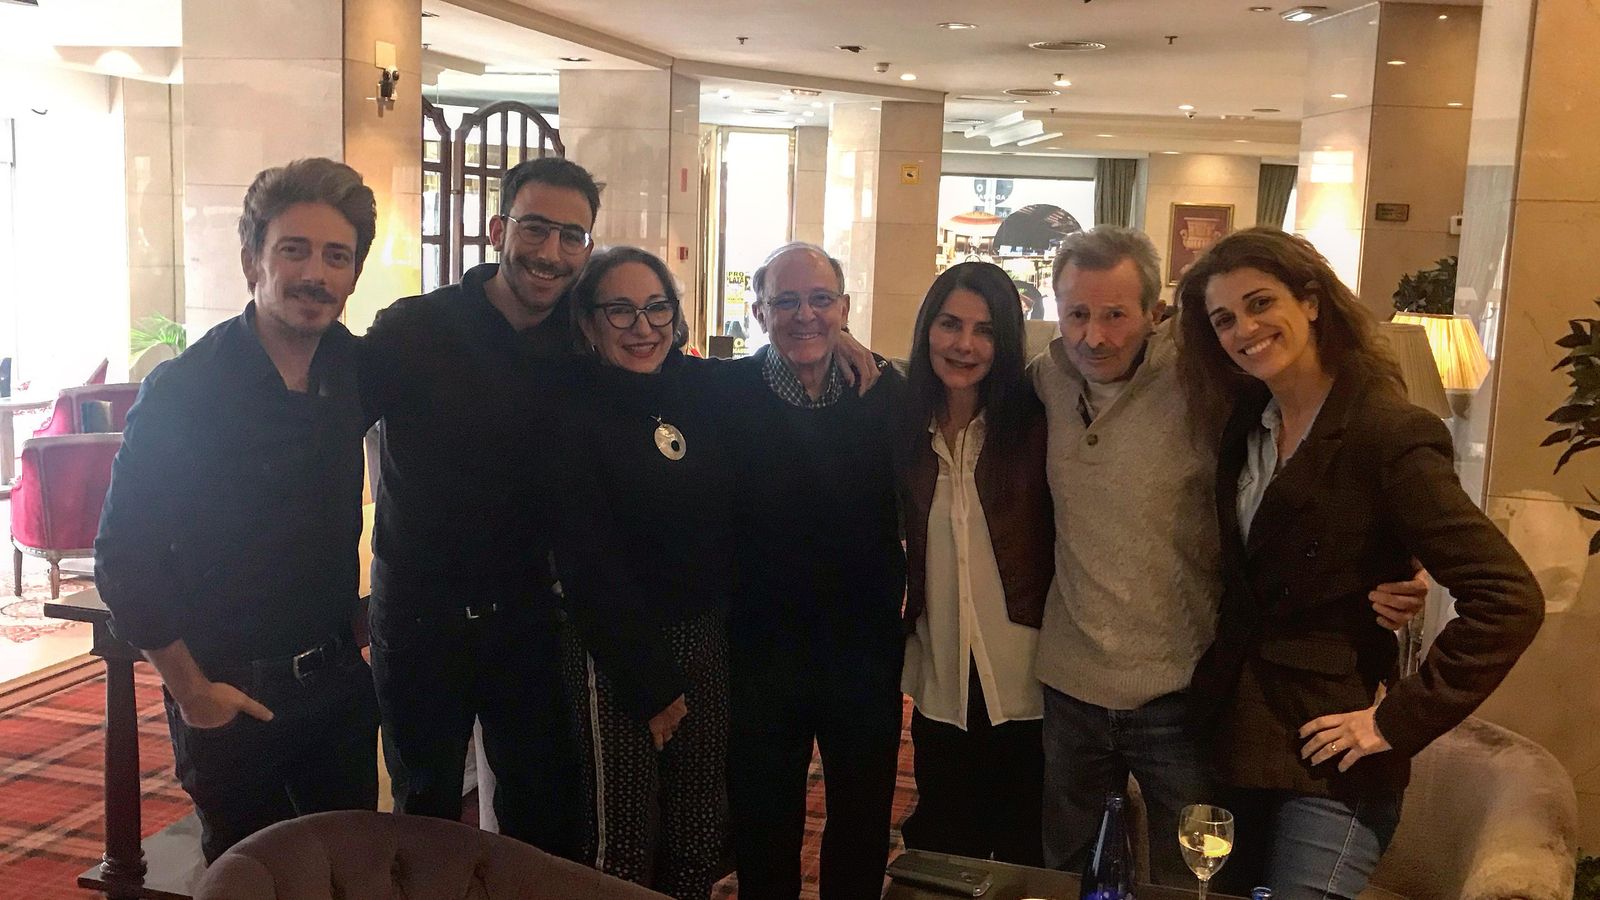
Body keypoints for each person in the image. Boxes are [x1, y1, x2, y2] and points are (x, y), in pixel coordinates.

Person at [1029, 226, 1428, 885]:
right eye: (1076, 314)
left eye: (1114, 315)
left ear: (1155, 314)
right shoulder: (1045, 379)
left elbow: (1317, 459)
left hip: (1185, 689)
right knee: (1067, 871)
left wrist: (1394, 560)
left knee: (1194, 881)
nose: (1093, 337)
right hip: (1070, 687)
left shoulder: (1210, 382)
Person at [1175, 228, 1544, 898]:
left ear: (1311, 301)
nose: (1244, 329)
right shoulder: (1246, 423)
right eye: (1224, 319)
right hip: (1234, 738)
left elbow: (1508, 597)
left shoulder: (1387, 432)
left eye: (1261, 303)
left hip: (1334, 759)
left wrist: (1392, 721)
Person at [95, 158, 380, 862]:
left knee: (346, 872)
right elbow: (122, 556)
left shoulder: (354, 370)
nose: (315, 273)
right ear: (252, 257)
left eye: (336, 256)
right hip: (232, 696)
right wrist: (193, 693)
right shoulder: (185, 392)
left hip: (338, 688)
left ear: (352, 275)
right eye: (295, 249)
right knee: (248, 879)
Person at [360, 157, 617, 853]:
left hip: (530, 617)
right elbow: (318, 416)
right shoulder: (415, 328)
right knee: (425, 805)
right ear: (500, 228)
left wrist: (829, 348)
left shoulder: (584, 344)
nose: (551, 253)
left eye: (573, 237)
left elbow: (675, 380)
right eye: (536, 229)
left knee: (543, 809)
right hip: (418, 614)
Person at [720, 242, 906, 899]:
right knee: (763, 827)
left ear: (845, 309)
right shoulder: (727, 396)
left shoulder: (884, 392)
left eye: (821, 300)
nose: (806, 315)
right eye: (787, 301)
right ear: (760, 311)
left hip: (862, 653)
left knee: (860, 824)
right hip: (761, 654)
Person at [557, 246, 733, 898]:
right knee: (620, 845)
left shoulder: (698, 390)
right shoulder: (572, 413)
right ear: (589, 322)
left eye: (656, 307)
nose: (643, 326)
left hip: (703, 641)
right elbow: (586, 561)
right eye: (622, 311)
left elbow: (785, 364)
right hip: (617, 655)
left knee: (698, 831)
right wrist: (651, 685)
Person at [895, 262, 1054, 865]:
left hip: (1029, 682)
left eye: (984, 330)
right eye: (949, 324)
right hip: (943, 681)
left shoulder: (1037, 420)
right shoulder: (905, 423)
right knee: (945, 848)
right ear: (926, 330)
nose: (964, 344)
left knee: (1023, 852)